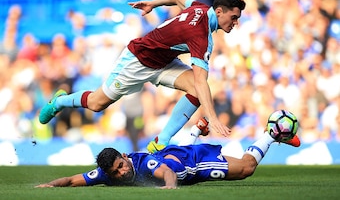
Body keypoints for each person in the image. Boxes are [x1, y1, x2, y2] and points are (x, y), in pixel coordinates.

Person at [39, 0, 246, 153]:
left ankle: (161, 142)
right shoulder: (201, 36)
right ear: (219, 11)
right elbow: (202, 82)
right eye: (234, 17)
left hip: (163, 63)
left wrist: (152, 3)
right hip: (138, 60)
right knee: (96, 103)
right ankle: (59, 102)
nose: (235, 23)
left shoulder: (199, 8)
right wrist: (213, 118)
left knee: (196, 89)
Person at [35, 117, 300, 189]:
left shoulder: (143, 164)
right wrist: (48, 185)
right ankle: (196, 128)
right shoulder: (107, 172)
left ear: (125, 157)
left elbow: (168, 173)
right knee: (171, 151)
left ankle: (272, 133)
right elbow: (72, 180)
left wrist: (171, 188)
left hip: (192, 163)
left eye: (121, 165)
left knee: (246, 169)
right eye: (116, 172)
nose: (122, 172)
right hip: (174, 152)